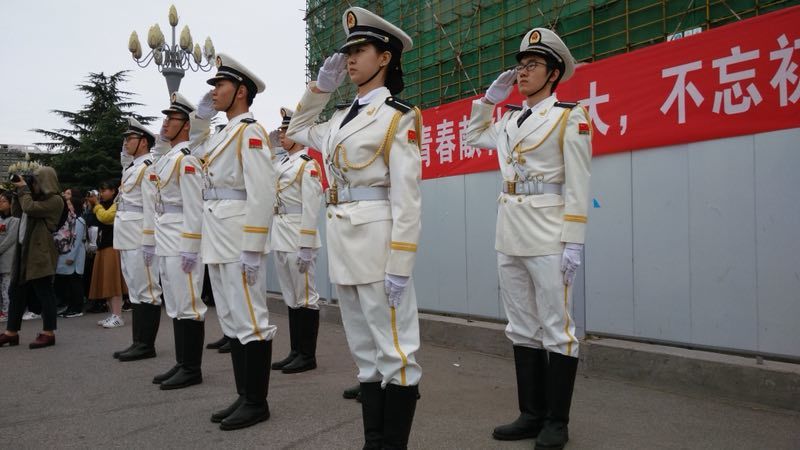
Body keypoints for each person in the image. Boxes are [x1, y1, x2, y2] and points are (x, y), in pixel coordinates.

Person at [286, 7, 423, 448]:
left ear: (384, 58)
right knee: (365, 355)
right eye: (348, 51)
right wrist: (320, 89)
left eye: (360, 50)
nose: (350, 58)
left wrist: (401, 264)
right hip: (344, 242)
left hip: (379, 244)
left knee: (396, 353)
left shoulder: (398, 116)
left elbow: (407, 198)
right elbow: (297, 128)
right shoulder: (339, 118)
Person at [465, 27, 592, 450]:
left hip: (549, 233)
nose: (522, 72)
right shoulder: (508, 121)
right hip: (510, 231)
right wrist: (487, 102)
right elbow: (471, 137)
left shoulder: (569, 116)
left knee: (557, 328)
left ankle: (557, 421)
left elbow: (579, 182)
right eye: (520, 65)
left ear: (554, 74)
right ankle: (531, 414)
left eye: (532, 65)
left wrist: (574, 240)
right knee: (521, 326)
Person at [190, 53, 277, 430]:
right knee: (231, 318)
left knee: (251, 319)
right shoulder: (223, 134)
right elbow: (194, 151)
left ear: (240, 91)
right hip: (219, 234)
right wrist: (200, 118)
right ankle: (244, 395)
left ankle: (257, 402)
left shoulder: (251, 132)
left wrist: (254, 248)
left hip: (239, 236)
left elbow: (262, 192)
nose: (214, 92)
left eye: (220, 85)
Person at [143, 92, 207, 390]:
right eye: (166, 118)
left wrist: (191, 246)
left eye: (172, 118)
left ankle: (192, 368)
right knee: (176, 303)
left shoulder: (187, 160)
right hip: (166, 236)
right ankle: (182, 362)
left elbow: (194, 206)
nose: (166, 123)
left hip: (182, 237)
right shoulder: (167, 158)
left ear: (186, 125)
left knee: (189, 303)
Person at [270, 107, 324, 374]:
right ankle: (295, 351)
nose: (281, 135)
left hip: (297, 237)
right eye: (281, 130)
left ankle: (307, 355)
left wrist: (306, 244)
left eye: (286, 131)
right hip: (281, 235)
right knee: (291, 297)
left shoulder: (307, 165)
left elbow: (311, 209)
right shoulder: (281, 164)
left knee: (305, 297)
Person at [111, 119, 164, 362]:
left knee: (147, 291)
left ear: (143, 142)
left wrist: (149, 241)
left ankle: (146, 345)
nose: (125, 143)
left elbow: (151, 207)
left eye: (129, 138)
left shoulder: (149, 168)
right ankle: (137, 341)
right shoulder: (133, 167)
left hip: (140, 238)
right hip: (127, 236)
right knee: (135, 290)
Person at [0, 166, 64, 349]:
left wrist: (23, 190)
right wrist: (16, 192)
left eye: (35, 181)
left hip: (40, 251)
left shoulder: (55, 200)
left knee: (45, 292)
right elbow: (17, 212)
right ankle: (11, 333)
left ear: (45, 181)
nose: (32, 185)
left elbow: (29, 208)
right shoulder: (31, 197)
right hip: (24, 249)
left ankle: (48, 333)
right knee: (16, 292)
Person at [87, 182, 127, 321]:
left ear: (113, 191)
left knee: (113, 282)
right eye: (100, 191)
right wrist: (93, 205)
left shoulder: (118, 203)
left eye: (104, 190)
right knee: (106, 283)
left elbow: (106, 217)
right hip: (103, 245)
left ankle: (117, 315)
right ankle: (113, 315)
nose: (101, 193)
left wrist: (96, 205)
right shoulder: (102, 205)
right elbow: (92, 221)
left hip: (113, 246)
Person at [55, 188, 87, 318]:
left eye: (69, 205)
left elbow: (77, 240)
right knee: (68, 282)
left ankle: (77, 308)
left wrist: (71, 256)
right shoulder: (68, 220)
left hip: (75, 255)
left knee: (75, 281)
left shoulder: (79, 221)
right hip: (66, 254)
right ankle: (70, 306)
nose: (68, 207)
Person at [0, 192, 20, 322]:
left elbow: (10, 239)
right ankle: (3, 310)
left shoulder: (15, 220)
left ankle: (7, 312)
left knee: (7, 287)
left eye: (3, 201)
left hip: (7, 258)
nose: (0, 203)